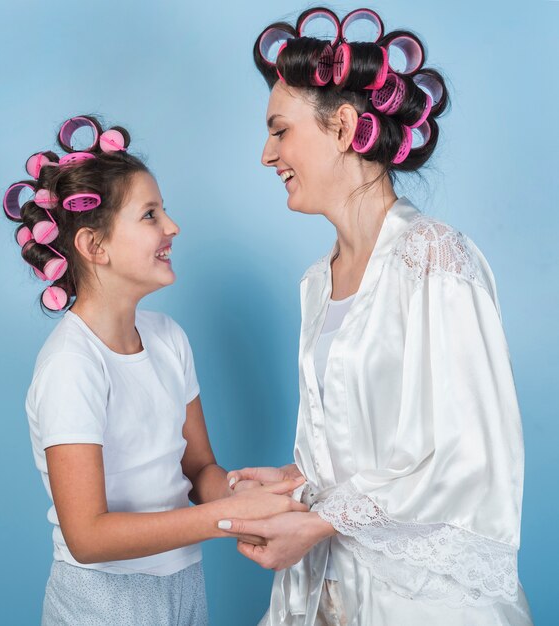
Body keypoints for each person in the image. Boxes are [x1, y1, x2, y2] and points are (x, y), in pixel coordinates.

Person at [221, 7, 534, 626]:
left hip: (420, 604)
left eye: (279, 130)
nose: (266, 153)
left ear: (341, 126)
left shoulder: (436, 259)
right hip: (329, 596)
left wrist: (317, 520)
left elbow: (470, 452)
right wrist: (297, 484)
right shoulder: (316, 282)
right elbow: (366, 448)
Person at [2, 115, 307, 626]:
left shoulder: (168, 338)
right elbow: (88, 535)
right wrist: (222, 520)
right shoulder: (72, 365)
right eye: (150, 215)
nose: (172, 227)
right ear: (94, 248)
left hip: (183, 585)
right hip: (100, 600)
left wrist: (240, 498)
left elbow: (199, 469)